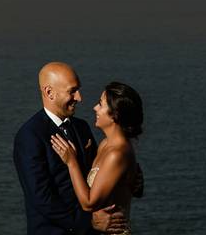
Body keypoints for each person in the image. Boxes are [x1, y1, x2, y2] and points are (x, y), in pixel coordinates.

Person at [13, 62, 136, 234]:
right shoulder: (30, 136)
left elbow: (100, 172)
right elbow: (41, 198)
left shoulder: (81, 127)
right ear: (49, 92)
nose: (79, 97)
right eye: (72, 91)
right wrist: (89, 222)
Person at [50, 81, 142, 235]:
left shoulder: (117, 154)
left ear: (115, 115)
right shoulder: (105, 144)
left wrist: (71, 162)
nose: (95, 108)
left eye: (100, 104)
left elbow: (89, 203)